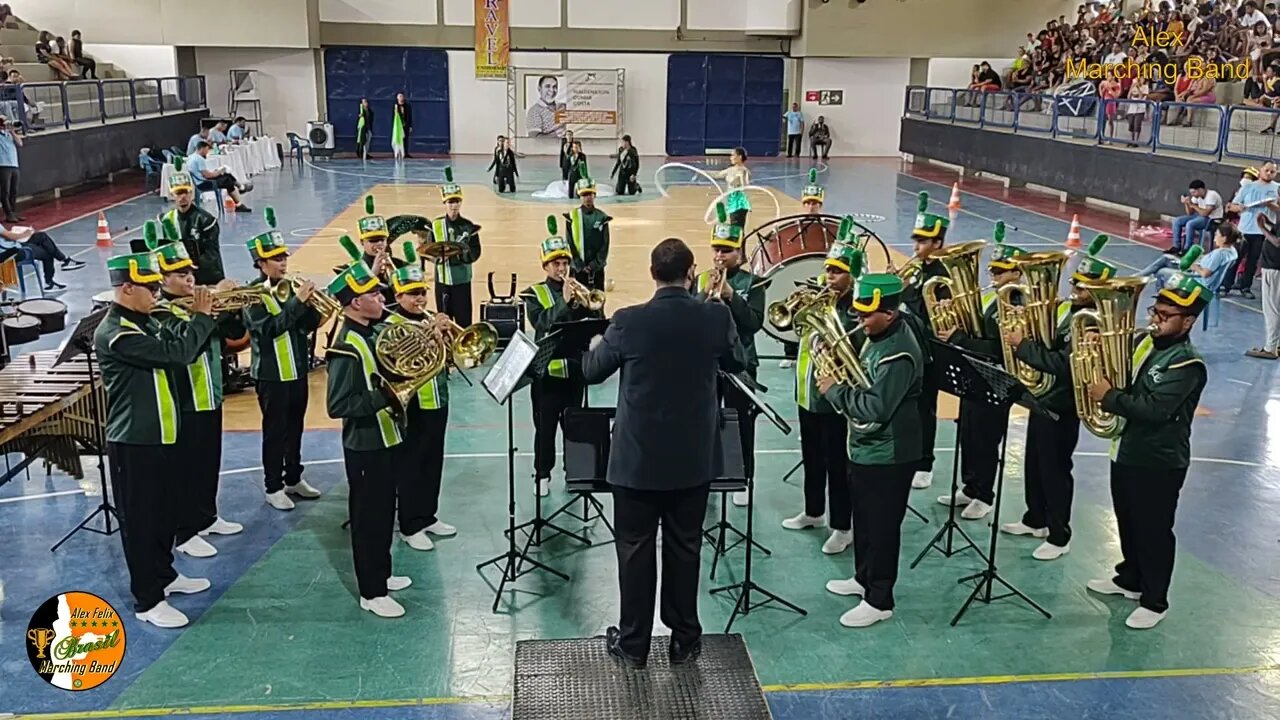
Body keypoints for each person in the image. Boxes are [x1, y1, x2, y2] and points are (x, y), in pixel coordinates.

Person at [581, 237, 746, 669]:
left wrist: (599, 340)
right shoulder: (715, 317)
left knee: (634, 550)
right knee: (685, 547)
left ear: (653, 274)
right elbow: (736, 361)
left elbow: (592, 372)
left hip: (636, 463)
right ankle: (684, 638)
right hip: (692, 462)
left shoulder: (628, 321)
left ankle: (634, 644)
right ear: (691, 274)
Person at [95, 236, 215, 629]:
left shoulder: (144, 321)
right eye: (149, 287)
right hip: (135, 442)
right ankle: (147, 599)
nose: (156, 291)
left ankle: (166, 574)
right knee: (143, 521)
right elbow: (175, 355)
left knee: (164, 514)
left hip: (162, 436)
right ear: (126, 288)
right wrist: (201, 316)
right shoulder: (116, 332)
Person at [1085, 259, 1209, 630]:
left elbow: (1155, 410)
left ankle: (1155, 601)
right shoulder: (1147, 343)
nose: (1156, 318)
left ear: (1187, 322)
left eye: (1166, 315)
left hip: (1158, 460)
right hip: (1126, 451)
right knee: (1127, 519)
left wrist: (1107, 397)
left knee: (1153, 529)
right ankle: (1131, 579)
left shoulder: (1187, 363)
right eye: (1156, 310)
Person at [818, 272, 924, 628]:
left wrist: (835, 391)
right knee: (863, 521)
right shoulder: (877, 336)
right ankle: (863, 578)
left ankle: (880, 599)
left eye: (867, 314)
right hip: (865, 450)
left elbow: (876, 408)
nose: (859, 320)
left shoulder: (898, 353)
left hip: (889, 455)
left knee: (881, 527)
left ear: (891, 313)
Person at [1000, 235, 1114, 561]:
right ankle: (1035, 518)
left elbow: (1065, 364)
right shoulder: (1069, 311)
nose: (1074, 290)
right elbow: (1048, 343)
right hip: (1041, 398)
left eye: (1082, 287)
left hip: (1063, 404)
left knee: (1054, 469)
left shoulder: (1095, 325)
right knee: (1034, 462)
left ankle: (1059, 534)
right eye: (1075, 283)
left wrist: (1022, 346)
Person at [323, 254, 413, 618]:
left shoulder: (369, 331)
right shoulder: (345, 345)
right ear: (355, 302)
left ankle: (383, 573)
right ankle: (371, 591)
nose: (381, 298)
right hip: (366, 445)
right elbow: (338, 404)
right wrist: (388, 394)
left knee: (382, 512)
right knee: (368, 518)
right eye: (374, 295)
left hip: (387, 437)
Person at [150, 220, 245, 559]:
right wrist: (207, 311)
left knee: (208, 462)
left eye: (190, 271)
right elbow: (186, 345)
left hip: (210, 396)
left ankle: (206, 517)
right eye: (179, 274)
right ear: (162, 279)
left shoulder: (197, 305)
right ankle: (185, 530)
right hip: (185, 402)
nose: (189, 278)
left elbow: (232, 336)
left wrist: (232, 307)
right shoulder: (161, 312)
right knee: (185, 470)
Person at [935, 222, 1023, 522]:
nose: (994, 276)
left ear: (1017, 273)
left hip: (997, 382)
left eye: (1001, 271)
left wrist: (959, 338)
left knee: (986, 440)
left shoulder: (1018, 306)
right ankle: (970, 486)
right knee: (968, 434)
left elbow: (1001, 348)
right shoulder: (992, 301)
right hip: (975, 376)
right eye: (993, 271)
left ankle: (985, 494)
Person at [781, 239, 859, 555]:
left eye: (838, 272)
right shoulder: (818, 299)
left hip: (835, 400)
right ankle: (813, 512)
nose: (829, 276)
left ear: (852, 276)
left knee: (837, 465)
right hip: (808, 395)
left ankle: (843, 526)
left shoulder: (855, 309)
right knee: (811, 458)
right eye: (828, 269)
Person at [242, 218, 325, 511]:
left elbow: (309, 324)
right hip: (271, 375)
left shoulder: (292, 287)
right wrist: (297, 304)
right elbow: (267, 329)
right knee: (275, 431)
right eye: (276, 258)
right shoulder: (252, 295)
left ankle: (293, 478)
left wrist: (313, 305)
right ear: (261, 264)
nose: (283, 263)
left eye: (284, 256)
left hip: (297, 371)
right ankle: (272, 486)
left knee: (296, 427)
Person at [383, 241, 456, 550]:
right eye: (413, 294)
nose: (420, 299)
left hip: (437, 400)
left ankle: (428, 514)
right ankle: (410, 524)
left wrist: (446, 337)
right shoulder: (391, 326)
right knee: (412, 464)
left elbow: (449, 360)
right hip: (412, 406)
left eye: (422, 293)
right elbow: (396, 367)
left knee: (434, 460)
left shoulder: (426, 320)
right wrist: (429, 336)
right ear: (398, 297)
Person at [521, 222, 603, 497]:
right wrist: (564, 303)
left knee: (574, 428)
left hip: (574, 373)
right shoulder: (533, 294)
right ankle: (542, 475)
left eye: (564, 262)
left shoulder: (578, 289)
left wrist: (591, 308)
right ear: (545, 267)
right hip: (546, 375)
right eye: (555, 263)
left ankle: (575, 475)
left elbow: (593, 322)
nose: (561, 268)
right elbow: (541, 324)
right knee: (544, 430)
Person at [695, 203, 765, 507]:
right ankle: (710, 471)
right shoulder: (702, 278)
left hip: (742, 365)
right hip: (709, 366)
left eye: (727, 249)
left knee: (742, 424)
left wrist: (731, 297)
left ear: (740, 252)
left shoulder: (754, 283)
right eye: (717, 249)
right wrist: (703, 295)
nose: (720, 255)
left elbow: (754, 322)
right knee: (708, 422)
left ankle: (743, 477)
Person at [898, 192, 948, 490]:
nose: (916, 246)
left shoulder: (942, 277)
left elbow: (932, 316)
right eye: (915, 240)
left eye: (923, 241)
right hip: (911, 350)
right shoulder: (917, 271)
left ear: (938, 244)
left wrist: (906, 293)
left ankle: (925, 462)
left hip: (930, 352)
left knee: (925, 408)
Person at [780, 170, 828, 370]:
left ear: (820, 204)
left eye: (814, 203)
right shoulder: (792, 227)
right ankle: (790, 352)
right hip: (797, 275)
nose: (811, 207)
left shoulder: (828, 227)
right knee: (792, 307)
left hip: (820, 276)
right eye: (807, 203)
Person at [427, 167, 482, 327]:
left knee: (464, 321)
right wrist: (437, 257)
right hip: (442, 281)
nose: (454, 206)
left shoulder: (468, 226)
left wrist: (460, 254)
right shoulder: (436, 225)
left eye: (457, 201)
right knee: (444, 322)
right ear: (445, 203)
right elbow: (429, 250)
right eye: (451, 202)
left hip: (461, 280)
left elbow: (476, 252)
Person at [159, 158, 224, 286]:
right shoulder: (168, 220)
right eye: (178, 193)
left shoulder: (207, 220)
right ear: (172, 196)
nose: (183, 197)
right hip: (182, 278)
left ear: (191, 193)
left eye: (186, 192)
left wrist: (190, 269)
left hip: (207, 277)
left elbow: (211, 255)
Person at [1225, 162, 1279, 300]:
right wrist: (1239, 208)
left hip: (1263, 230)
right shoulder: (1248, 187)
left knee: (1253, 261)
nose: (1269, 173)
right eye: (1266, 170)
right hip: (1245, 228)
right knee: (1235, 258)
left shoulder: (1277, 188)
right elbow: (1232, 206)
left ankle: (1245, 286)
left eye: (1272, 172)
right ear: (1260, 170)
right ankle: (1226, 285)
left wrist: (1270, 205)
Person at [354, 195, 408, 306]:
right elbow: (354, 302)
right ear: (362, 242)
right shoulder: (356, 270)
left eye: (382, 240)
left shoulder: (400, 264)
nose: (379, 244)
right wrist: (373, 274)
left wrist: (395, 276)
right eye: (373, 240)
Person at [0, 221, 83, 292]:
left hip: (14, 245)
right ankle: (50, 281)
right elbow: (10, 236)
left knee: (41, 236)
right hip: (13, 252)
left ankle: (65, 260)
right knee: (47, 253)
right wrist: (25, 234)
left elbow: (6, 237)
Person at [563, 169, 610, 291]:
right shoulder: (572, 216)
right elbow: (570, 243)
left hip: (597, 270)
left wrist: (595, 264)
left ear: (594, 195)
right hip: (577, 269)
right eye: (584, 195)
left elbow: (605, 244)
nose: (587, 198)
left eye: (590, 194)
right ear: (580, 196)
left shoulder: (602, 217)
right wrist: (578, 264)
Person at [186, 141, 252, 213]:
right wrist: (218, 172)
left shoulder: (191, 157)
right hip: (204, 183)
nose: (207, 152)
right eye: (207, 150)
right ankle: (240, 192)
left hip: (199, 181)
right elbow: (207, 175)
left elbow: (203, 173)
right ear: (202, 148)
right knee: (227, 180)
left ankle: (240, 197)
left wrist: (217, 172)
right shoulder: (199, 159)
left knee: (227, 176)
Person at [1170, 179, 1223, 254]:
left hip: (1212, 219)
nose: (1193, 195)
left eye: (1194, 192)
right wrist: (1186, 203)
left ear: (1201, 189)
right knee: (1177, 221)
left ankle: (1187, 248)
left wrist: (1192, 205)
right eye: (1191, 193)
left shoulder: (1212, 195)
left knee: (1190, 224)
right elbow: (1190, 213)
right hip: (1200, 217)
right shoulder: (1196, 196)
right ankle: (1176, 246)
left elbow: (1205, 213)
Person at [713, 147, 752, 230]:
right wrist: (700, 172)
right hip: (732, 202)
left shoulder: (744, 171)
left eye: (732, 155)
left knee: (737, 228)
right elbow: (717, 174)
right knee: (734, 227)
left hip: (739, 204)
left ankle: (740, 242)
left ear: (740, 157)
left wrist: (741, 177)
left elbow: (745, 186)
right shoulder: (731, 169)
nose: (730, 158)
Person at [0, 114, 22, 223]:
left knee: (14, 190)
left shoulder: (9, 134)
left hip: (14, 164)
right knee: (5, 191)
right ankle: (8, 213)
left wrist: (12, 131)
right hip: (3, 165)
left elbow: (20, 143)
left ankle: (13, 212)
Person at [391, 93, 413, 160]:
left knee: (405, 139)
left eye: (402, 96)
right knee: (398, 139)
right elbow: (394, 117)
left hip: (405, 125)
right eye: (400, 96)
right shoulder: (395, 107)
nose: (401, 98)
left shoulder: (407, 106)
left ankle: (405, 152)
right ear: (397, 98)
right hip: (398, 126)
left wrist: (410, 126)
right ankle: (398, 152)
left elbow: (410, 117)